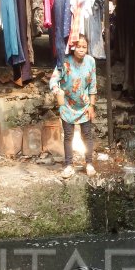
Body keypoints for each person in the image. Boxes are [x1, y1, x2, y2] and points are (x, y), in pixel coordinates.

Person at [49, 34, 97, 179]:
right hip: (67, 105)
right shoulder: (64, 62)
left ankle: (89, 163)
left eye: (84, 47)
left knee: (87, 135)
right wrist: (58, 91)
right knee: (68, 136)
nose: (81, 49)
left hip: (84, 106)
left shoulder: (90, 61)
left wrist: (92, 105)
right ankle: (69, 165)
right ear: (72, 46)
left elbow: (92, 85)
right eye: (78, 46)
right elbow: (53, 81)